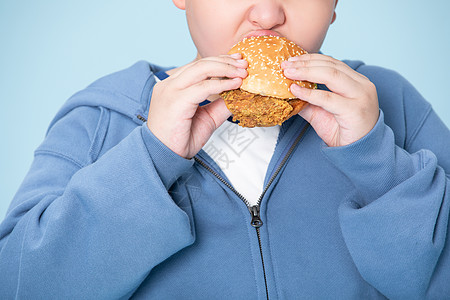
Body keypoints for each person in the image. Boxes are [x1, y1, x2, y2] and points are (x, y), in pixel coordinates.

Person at [1, 0, 449, 298]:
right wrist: (151, 159)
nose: (269, 14)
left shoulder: (391, 105)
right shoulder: (102, 117)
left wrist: (375, 162)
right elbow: (21, 283)